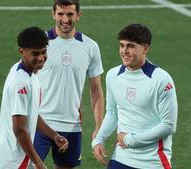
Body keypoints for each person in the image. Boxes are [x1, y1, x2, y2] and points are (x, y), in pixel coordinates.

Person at [92, 23, 178, 169]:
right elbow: (113, 112)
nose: (124, 51)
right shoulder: (113, 76)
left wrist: (131, 140)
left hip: (153, 162)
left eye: (130, 46)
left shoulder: (161, 79)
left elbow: (168, 126)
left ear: (145, 48)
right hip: (121, 158)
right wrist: (99, 139)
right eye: (122, 45)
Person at [33, 0, 104, 168]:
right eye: (60, 14)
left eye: (70, 14)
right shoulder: (39, 43)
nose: (65, 19)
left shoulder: (90, 47)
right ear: (53, 14)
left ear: (78, 15)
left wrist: (98, 127)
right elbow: (24, 78)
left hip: (71, 125)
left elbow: (96, 90)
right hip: (39, 123)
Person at [0, 26, 68, 169]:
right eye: (35, 53)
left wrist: (54, 135)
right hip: (11, 160)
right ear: (21, 51)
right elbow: (19, 128)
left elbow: (31, 114)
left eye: (44, 52)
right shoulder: (20, 82)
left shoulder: (32, 73)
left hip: (19, 158)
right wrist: (38, 162)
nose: (41, 58)